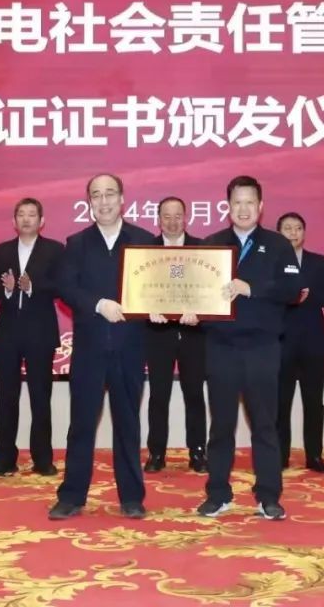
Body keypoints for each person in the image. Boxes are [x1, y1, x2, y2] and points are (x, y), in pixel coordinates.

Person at [195, 176, 301, 520]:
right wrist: (191, 311)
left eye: (250, 202)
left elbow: (292, 288)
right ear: (227, 207)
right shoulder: (211, 245)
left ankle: (268, 496)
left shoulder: (278, 244)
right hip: (221, 347)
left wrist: (251, 288)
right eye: (237, 202)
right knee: (221, 426)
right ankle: (218, 494)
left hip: (262, 348)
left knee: (265, 425)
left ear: (261, 206)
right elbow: (198, 291)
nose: (243, 209)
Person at [49, 174, 154, 520]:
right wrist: (98, 304)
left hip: (130, 347)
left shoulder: (143, 240)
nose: (104, 201)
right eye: (96, 195)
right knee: (81, 423)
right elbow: (66, 287)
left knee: (128, 423)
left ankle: (132, 497)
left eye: (110, 194)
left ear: (122, 199)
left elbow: (157, 285)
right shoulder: (77, 243)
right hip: (90, 349)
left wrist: (160, 306)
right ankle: (72, 496)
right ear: (89, 203)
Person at [0, 197, 64, 478]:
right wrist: (6, 289)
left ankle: (43, 459)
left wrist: (32, 287)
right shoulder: (1, 251)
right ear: (13, 221)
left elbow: (61, 285)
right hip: (8, 333)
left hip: (40, 333)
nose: (26, 219)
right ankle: (4, 459)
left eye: (32, 214)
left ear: (42, 221)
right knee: (6, 397)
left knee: (40, 397)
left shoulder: (54, 250)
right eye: (21, 214)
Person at [144, 197, 208, 474]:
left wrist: (201, 312)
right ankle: (156, 453)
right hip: (158, 333)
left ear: (186, 217)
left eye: (177, 216)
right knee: (158, 395)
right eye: (166, 216)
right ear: (158, 219)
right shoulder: (145, 251)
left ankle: (198, 452)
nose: (172, 222)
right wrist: (147, 308)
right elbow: (138, 289)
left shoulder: (202, 249)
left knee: (194, 394)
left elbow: (210, 290)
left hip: (193, 334)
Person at [276, 212, 324, 474]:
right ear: (279, 233)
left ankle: (314, 456)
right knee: (280, 404)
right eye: (287, 228)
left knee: (314, 402)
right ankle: (279, 457)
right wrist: (288, 297)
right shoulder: (271, 262)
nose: (293, 233)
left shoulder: (318, 262)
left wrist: (306, 295)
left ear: (304, 232)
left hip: (312, 343)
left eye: (298, 228)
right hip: (280, 343)